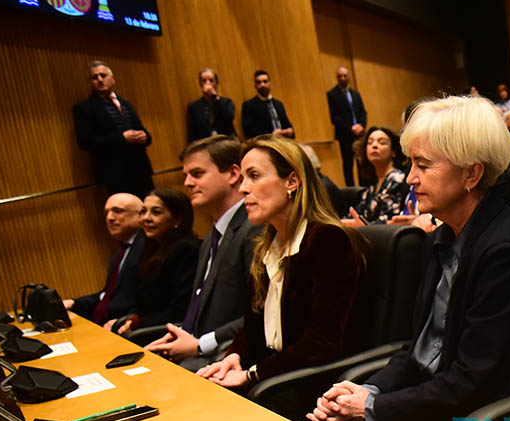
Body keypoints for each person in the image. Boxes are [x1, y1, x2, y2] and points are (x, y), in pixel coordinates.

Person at [307, 96, 510, 421]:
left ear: (471, 174)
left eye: (423, 166)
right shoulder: (441, 239)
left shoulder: (508, 250)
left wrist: (373, 407)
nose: (410, 178)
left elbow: (471, 380)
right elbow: (420, 350)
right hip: (443, 407)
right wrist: (364, 389)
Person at [197, 137, 365, 387]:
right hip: (274, 376)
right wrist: (235, 355)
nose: (243, 189)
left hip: (312, 384)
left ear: (292, 181)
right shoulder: (265, 247)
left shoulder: (327, 240)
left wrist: (251, 375)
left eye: (254, 176)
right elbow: (253, 328)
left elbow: (321, 345)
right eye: (243, 178)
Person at [144, 136, 261, 370]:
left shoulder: (255, 230)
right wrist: (180, 336)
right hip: (197, 350)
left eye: (197, 174)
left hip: (227, 358)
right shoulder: (211, 237)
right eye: (185, 175)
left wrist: (200, 344)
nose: (187, 183)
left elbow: (260, 315)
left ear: (232, 174)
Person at [109, 188, 200, 335]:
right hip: (146, 329)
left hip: (168, 334)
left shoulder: (187, 250)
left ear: (178, 220)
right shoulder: (151, 250)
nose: (146, 218)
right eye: (143, 211)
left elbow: (179, 310)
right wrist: (133, 319)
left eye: (156, 212)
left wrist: (137, 324)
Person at [73, 61, 154, 198]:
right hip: (115, 174)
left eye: (103, 75)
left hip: (141, 170)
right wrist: (122, 138)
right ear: (91, 82)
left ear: (113, 79)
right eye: (95, 77)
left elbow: (144, 132)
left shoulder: (126, 104)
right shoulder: (84, 108)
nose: (99, 79)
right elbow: (85, 142)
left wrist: (145, 137)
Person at [64, 193, 145, 323]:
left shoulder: (147, 249)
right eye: (106, 213)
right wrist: (74, 302)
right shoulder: (120, 253)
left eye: (118, 211)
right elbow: (107, 295)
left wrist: (129, 321)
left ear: (141, 215)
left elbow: (147, 301)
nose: (110, 218)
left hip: (122, 327)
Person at [343, 127, 410, 226]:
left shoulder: (397, 179)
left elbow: (389, 221)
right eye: (370, 143)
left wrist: (361, 226)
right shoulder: (372, 186)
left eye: (382, 143)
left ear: (393, 152)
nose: (374, 145)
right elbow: (356, 215)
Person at [327, 65, 368, 186]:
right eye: (340, 76)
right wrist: (351, 128)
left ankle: (363, 187)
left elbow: (362, 112)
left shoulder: (355, 94)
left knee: (361, 162)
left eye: (345, 75)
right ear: (337, 78)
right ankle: (351, 188)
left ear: (349, 77)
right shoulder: (332, 94)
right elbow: (335, 118)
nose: (342, 78)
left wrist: (361, 126)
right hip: (345, 135)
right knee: (348, 164)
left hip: (359, 134)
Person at [185, 68, 236, 142]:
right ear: (200, 83)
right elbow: (191, 133)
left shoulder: (226, 102)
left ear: (216, 83)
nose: (207, 83)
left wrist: (215, 97)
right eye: (204, 81)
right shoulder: (193, 106)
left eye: (211, 80)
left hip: (227, 142)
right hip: (206, 145)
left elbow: (229, 117)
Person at [241, 70, 294, 139]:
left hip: (283, 141)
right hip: (265, 143)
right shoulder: (249, 105)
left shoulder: (278, 104)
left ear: (270, 83)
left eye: (265, 81)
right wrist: (271, 135)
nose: (262, 85)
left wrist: (290, 131)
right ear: (255, 86)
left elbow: (287, 124)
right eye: (259, 82)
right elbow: (248, 131)